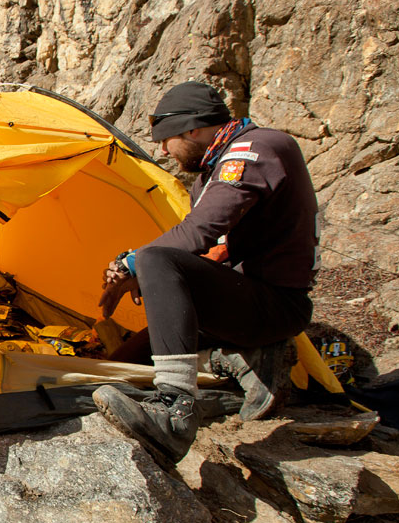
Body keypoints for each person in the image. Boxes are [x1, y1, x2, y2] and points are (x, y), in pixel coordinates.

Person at [93, 81, 319, 470]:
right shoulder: (212, 172)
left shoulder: (257, 149)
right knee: (124, 362)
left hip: (277, 305)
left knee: (156, 260)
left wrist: (132, 263)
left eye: (166, 140)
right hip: (247, 299)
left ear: (192, 129)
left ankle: (174, 414)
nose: (163, 151)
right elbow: (213, 248)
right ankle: (235, 360)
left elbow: (198, 232)